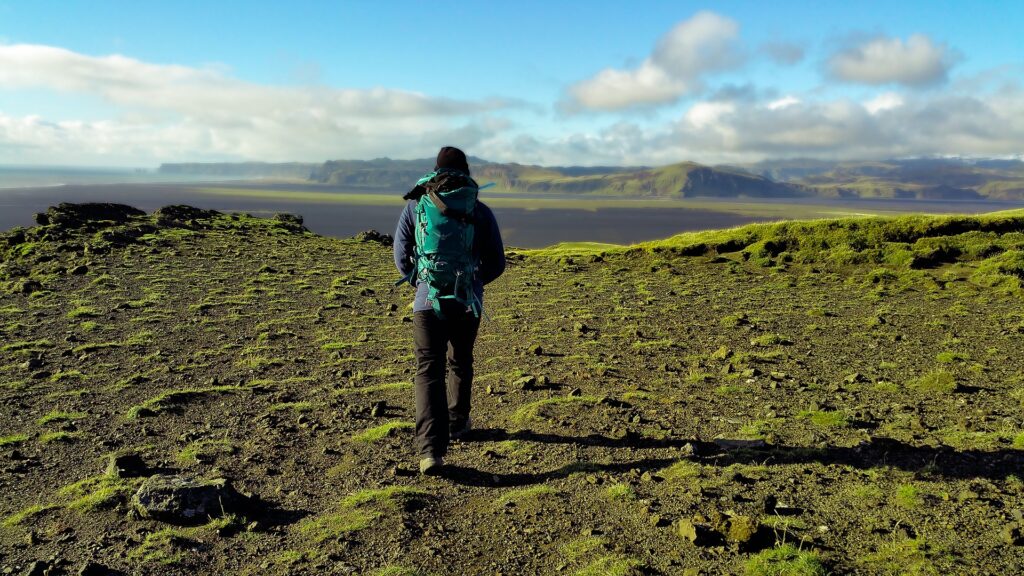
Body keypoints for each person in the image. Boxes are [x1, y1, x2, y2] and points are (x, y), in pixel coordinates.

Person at [393, 146, 505, 475]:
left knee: (428, 370)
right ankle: (458, 421)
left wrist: (423, 282)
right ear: (466, 171)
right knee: (461, 359)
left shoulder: (417, 206)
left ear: (435, 170)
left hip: (427, 302)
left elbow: (401, 257)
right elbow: (497, 262)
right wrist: (471, 282)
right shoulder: (479, 210)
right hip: (467, 302)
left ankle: (430, 450)